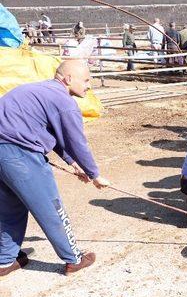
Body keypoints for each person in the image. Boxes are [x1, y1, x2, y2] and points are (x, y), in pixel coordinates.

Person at [0, 60, 111, 277]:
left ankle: (4, 260)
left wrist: (73, 164)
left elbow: (56, 138)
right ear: (68, 79)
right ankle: (74, 259)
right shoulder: (64, 101)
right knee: (51, 206)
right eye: (86, 80)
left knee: (9, 209)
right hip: (20, 156)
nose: (89, 85)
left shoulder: (37, 90)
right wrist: (95, 175)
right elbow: (76, 141)